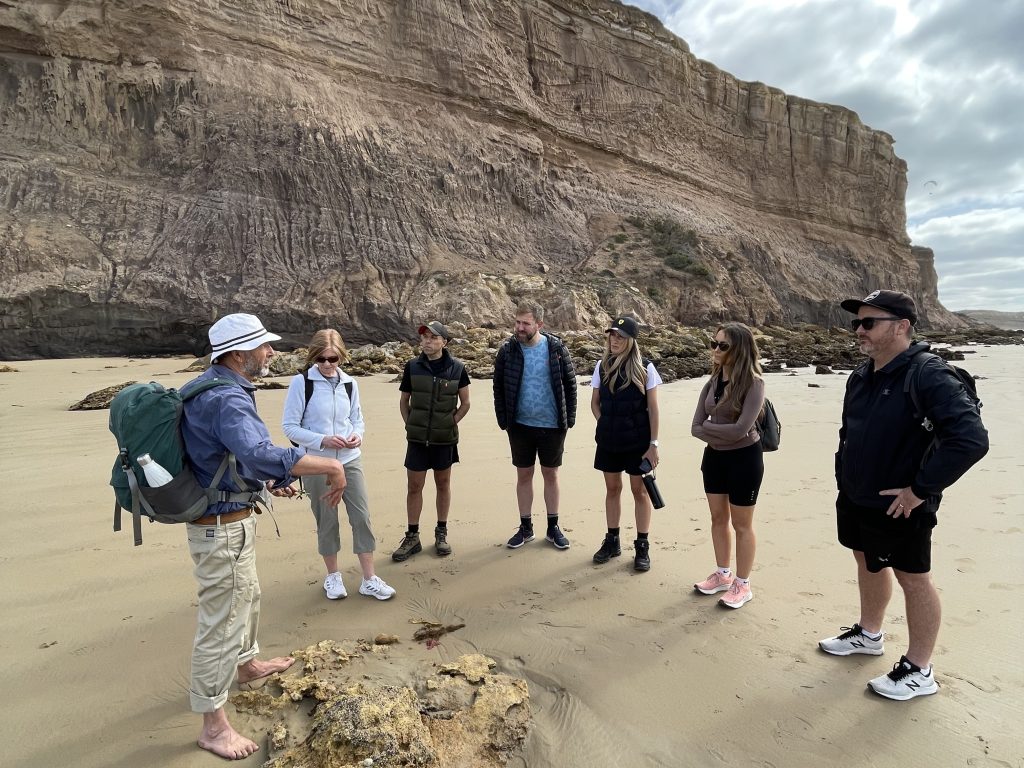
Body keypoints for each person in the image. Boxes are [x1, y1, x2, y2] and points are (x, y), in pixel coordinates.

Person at [180, 313, 350, 760]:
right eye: (263, 345)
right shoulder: (227, 399)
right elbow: (257, 452)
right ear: (238, 353)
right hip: (219, 528)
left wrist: (265, 478)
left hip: (227, 518)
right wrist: (331, 465)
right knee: (220, 622)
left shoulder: (213, 387)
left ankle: (248, 663)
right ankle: (213, 726)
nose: (271, 352)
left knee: (246, 596)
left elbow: (235, 457)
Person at [820, 290, 988, 700]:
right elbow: (850, 433)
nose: (859, 330)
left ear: (901, 327)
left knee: (914, 578)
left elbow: (970, 439)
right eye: (856, 323)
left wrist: (920, 490)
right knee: (866, 560)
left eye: (868, 322)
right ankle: (869, 634)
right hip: (858, 496)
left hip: (902, 504)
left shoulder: (928, 374)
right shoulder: (861, 375)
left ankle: (919, 669)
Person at [282, 329, 395, 601]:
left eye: (332, 358)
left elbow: (357, 418)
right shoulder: (302, 383)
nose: (327, 364)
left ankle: (369, 578)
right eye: (320, 359)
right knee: (327, 520)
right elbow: (290, 427)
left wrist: (357, 435)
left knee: (362, 517)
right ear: (313, 358)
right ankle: (333, 576)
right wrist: (323, 440)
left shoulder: (349, 383)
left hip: (349, 460)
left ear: (341, 356)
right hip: (316, 463)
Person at [690, 322, 766, 609]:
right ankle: (723, 575)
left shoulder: (754, 383)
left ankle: (743, 585)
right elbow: (695, 427)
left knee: (742, 524)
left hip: (745, 459)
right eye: (714, 343)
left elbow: (740, 430)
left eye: (723, 345)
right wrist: (719, 430)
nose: (716, 350)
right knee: (718, 519)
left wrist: (712, 428)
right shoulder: (712, 382)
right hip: (714, 459)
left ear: (740, 350)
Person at [493, 301, 578, 550]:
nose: (519, 328)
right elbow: (498, 386)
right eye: (517, 322)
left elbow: (570, 385)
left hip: (552, 425)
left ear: (539, 324)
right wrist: (503, 420)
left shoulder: (556, 348)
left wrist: (568, 419)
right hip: (519, 425)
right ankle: (526, 527)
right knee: (524, 475)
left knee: (551, 474)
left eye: (525, 323)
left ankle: (553, 527)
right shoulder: (508, 350)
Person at [392, 321, 471, 561]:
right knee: (414, 486)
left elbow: (465, 403)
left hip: (444, 439)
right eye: (424, 337)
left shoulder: (457, 368)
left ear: (444, 342)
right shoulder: (412, 367)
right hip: (417, 440)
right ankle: (413, 536)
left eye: (433, 337)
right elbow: (404, 401)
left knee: (443, 484)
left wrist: (450, 422)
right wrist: (410, 424)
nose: (427, 341)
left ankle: (441, 533)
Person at [590, 316, 662, 571]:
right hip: (609, 441)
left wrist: (653, 444)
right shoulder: (601, 365)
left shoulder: (646, 368)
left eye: (620, 336)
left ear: (631, 341)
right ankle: (612, 541)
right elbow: (595, 403)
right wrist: (605, 423)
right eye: (612, 334)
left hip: (638, 442)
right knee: (612, 489)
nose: (614, 339)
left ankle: (642, 546)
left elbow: (653, 409)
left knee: (639, 491)